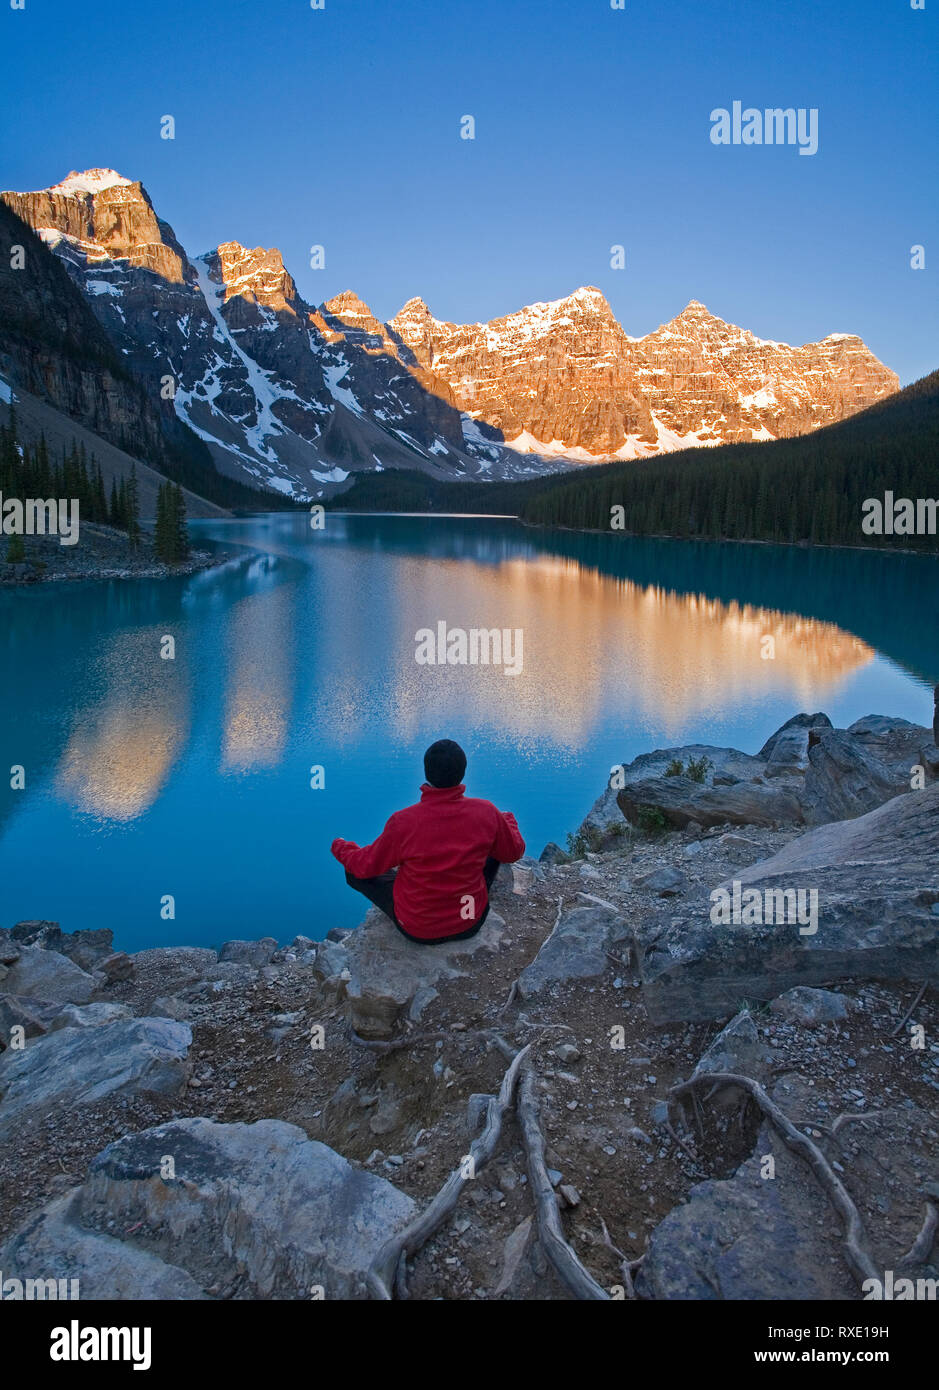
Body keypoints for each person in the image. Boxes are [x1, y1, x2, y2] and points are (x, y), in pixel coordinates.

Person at [331, 739, 525, 945]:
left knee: (354, 869)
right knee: (493, 847)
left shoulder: (404, 822)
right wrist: (508, 820)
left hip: (419, 929)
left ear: (426, 772)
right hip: (469, 920)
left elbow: (363, 865)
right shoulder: (486, 812)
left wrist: (340, 846)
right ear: (463, 771)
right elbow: (513, 852)